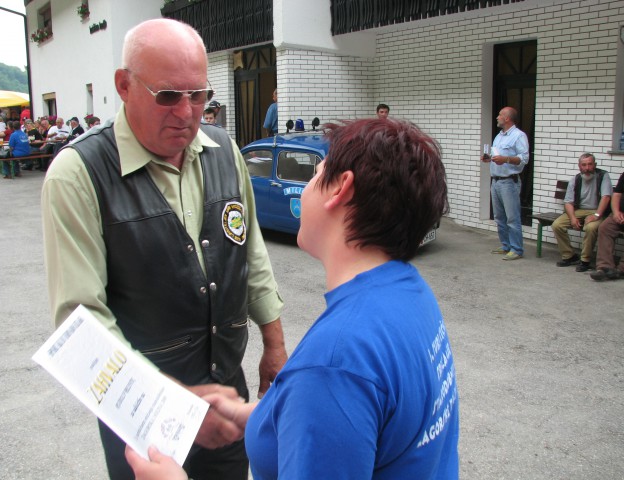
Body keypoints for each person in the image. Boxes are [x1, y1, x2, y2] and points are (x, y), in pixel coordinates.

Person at [125, 118, 459, 480]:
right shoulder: (410, 292)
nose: (305, 188)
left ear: (340, 189)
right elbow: (360, 424)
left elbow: (336, 392)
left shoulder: (336, 363)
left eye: (314, 175)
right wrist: (262, 417)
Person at [41, 18, 287, 480]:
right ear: (123, 86)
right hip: (141, 418)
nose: (188, 113)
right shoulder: (77, 174)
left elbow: (249, 249)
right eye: (168, 96)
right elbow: (81, 322)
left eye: (199, 96)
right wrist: (173, 405)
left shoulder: (223, 150)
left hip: (227, 399)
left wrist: (273, 343)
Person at [481, 106, 529, 260]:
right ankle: (505, 246)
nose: (497, 117)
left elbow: (524, 159)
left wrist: (506, 159)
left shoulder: (518, 136)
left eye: (500, 115)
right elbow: (498, 156)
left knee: (512, 218)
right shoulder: (499, 136)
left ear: (507, 118)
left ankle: (516, 249)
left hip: (509, 182)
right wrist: (489, 159)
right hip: (496, 181)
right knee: (499, 217)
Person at [552, 153, 612, 272]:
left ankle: (585, 260)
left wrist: (596, 215)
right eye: (584, 165)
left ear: (594, 165)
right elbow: (568, 202)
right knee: (557, 225)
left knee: (590, 228)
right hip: (579, 210)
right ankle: (569, 255)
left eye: (590, 164)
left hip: (597, 210)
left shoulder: (603, 176)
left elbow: (606, 197)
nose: (587, 168)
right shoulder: (576, 179)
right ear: (579, 166)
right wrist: (573, 218)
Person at [589, 171, 624, 281]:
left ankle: (621, 269)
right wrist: (616, 212)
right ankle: (605, 267)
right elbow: (616, 194)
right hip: (620, 214)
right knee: (605, 227)